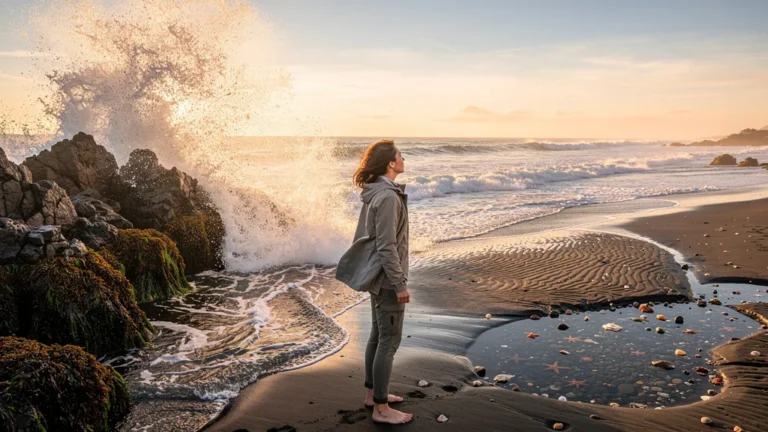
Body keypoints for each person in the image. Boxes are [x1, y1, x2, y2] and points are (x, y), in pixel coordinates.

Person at [349, 139, 412, 425]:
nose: (403, 159)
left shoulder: (378, 192)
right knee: (389, 341)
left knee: (378, 336)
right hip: (387, 279)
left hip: (378, 275)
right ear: (390, 163)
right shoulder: (387, 197)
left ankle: (372, 395)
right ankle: (381, 408)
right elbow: (386, 246)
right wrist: (399, 284)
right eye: (400, 155)